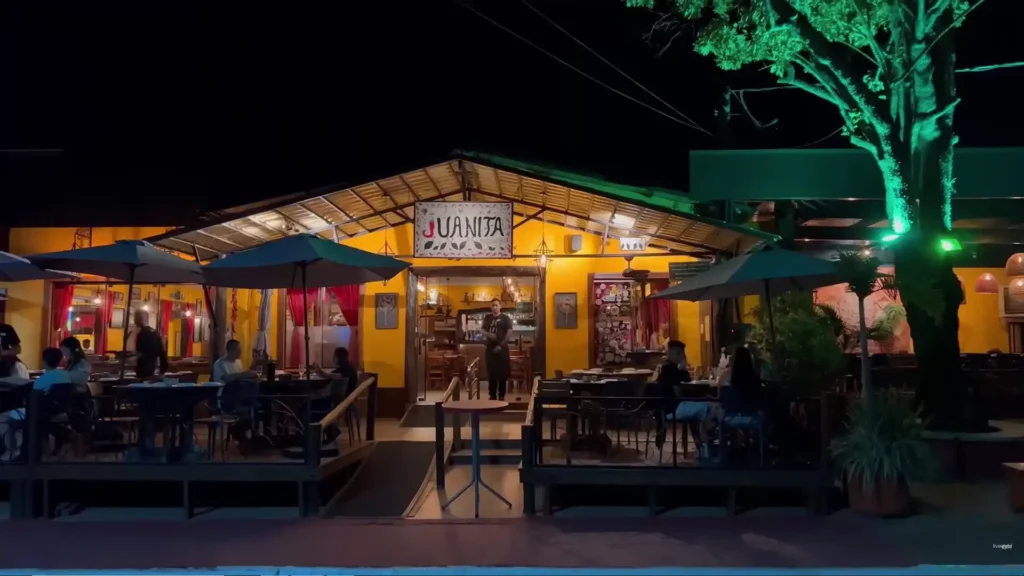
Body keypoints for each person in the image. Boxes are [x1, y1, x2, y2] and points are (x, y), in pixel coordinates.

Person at [0, 347, 71, 461]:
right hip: (59, 409)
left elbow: (31, 396)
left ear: (43, 361)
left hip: (38, 412)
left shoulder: (42, 380)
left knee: (3, 418)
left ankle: (11, 452)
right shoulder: (65, 375)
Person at [481, 298, 512, 401]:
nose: (494, 307)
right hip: (490, 348)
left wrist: (501, 345)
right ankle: (492, 395)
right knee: (492, 372)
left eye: (496, 305)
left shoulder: (505, 318)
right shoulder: (487, 318)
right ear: (491, 307)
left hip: (502, 349)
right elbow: (482, 330)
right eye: (493, 305)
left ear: (500, 306)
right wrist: (489, 334)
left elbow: (509, 332)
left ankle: (502, 395)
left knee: (502, 373)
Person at [133, 310, 167, 380]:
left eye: (135, 318)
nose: (134, 321)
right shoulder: (155, 333)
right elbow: (161, 353)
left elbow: (141, 353)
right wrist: (162, 371)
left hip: (143, 371)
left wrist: (131, 358)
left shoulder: (141, 334)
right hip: (153, 370)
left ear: (140, 319)